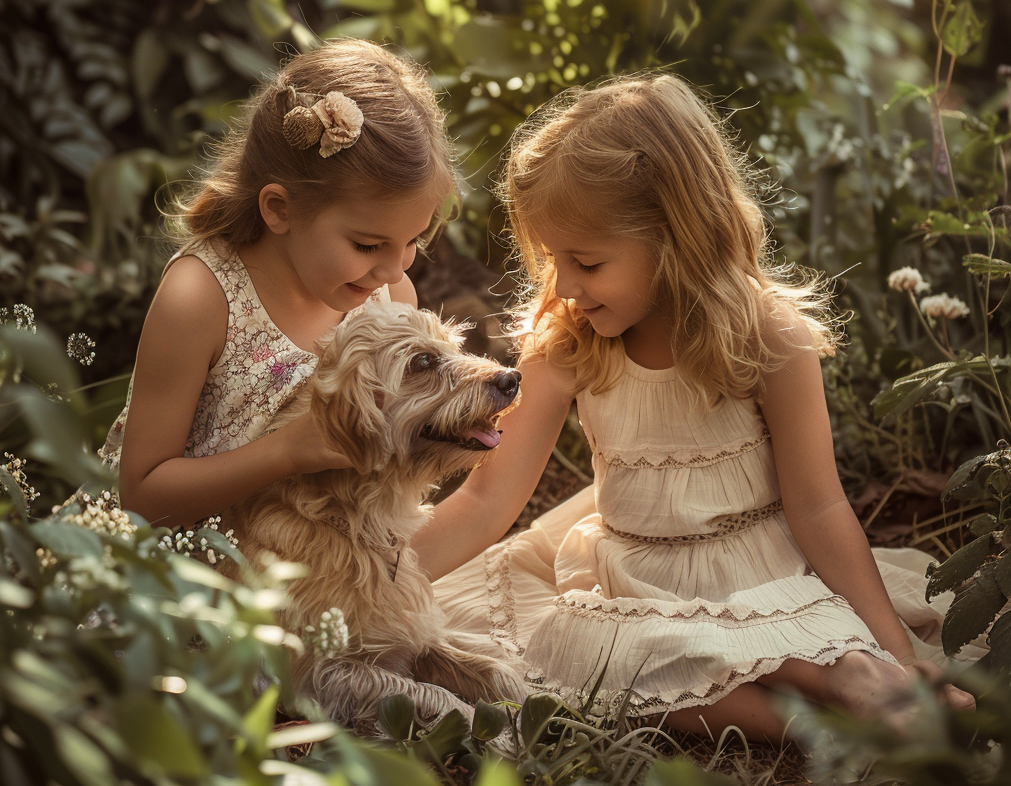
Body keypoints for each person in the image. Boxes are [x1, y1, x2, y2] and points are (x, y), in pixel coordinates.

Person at [416, 74, 977, 741]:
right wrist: (377, 579)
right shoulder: (567, 342)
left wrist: (903, 654)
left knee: (650, 662)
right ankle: (831, 712)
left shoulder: (768, 337)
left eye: (587, 262)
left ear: (675, 236)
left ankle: (853, 670)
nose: (564, 284)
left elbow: (819, 506)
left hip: (761, 576)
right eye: (553, 260)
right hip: (638, 583)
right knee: (576, 662)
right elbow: (487, 501)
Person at [101, 39, 455, 530]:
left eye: (413, 239)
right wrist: (288, 450)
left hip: (306, 560)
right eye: (368, 246)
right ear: (279, 209)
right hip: (171, 568)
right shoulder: (201, 298)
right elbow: (140, 495)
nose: (395, 273)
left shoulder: (388, 300)